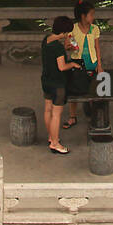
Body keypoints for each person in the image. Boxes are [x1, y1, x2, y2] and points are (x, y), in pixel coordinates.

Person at [41, 16, 81, 154]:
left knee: (47, 109)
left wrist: (65, 45)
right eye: (67, 33)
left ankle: (51, 137)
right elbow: (62, 67)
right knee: (56, 114)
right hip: (57, 83)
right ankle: (56, 144)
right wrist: (73, 64)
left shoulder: (46, 39)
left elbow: (55, 57)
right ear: (63, 32)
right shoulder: (57, 48)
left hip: (46, 80)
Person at [65, 0, 103, 129]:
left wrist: (100, 65)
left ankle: (93, 115)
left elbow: (97, 47)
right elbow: (69, 46)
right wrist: (70, 47)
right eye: (91, 14)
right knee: (74, 91)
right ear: (83, 16)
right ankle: (72, 117)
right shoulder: (73, 29)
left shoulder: (95, 29)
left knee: (94, 90)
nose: (93, 17)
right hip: (77, 63)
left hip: (92, 62)